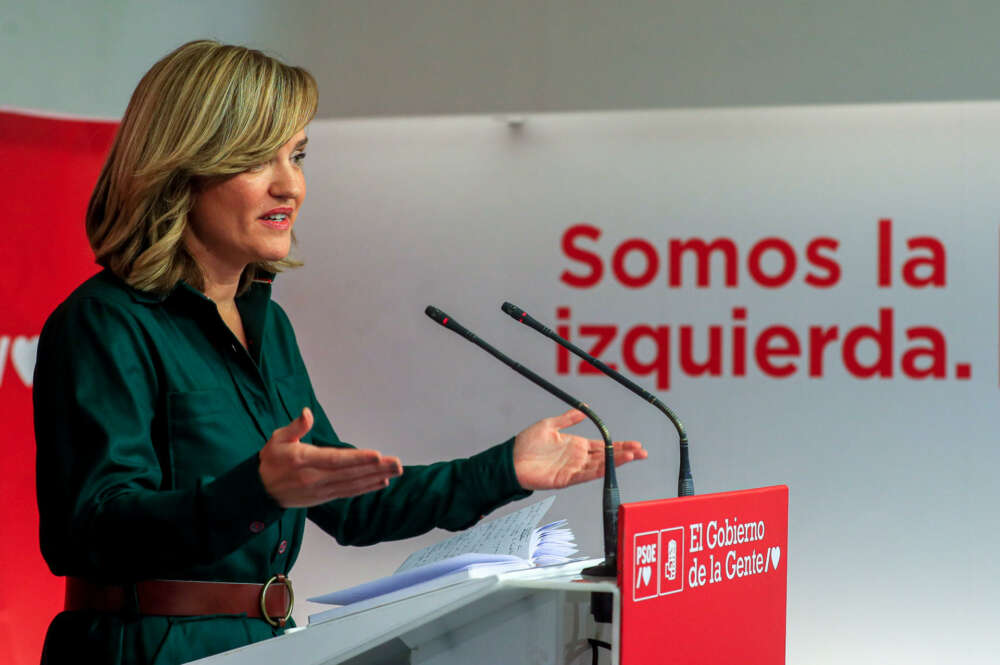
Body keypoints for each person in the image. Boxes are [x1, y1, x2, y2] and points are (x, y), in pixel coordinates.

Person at [33, 40, 646, 665]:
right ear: (181, 168)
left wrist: (505, 470)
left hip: (263, 646)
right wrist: (255, 491)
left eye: (296, 156)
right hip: (144, 649)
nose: (290, 185)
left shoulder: (267, 326)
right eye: (256, 160)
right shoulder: (104, 323)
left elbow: (350, 502)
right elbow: (88, 532)